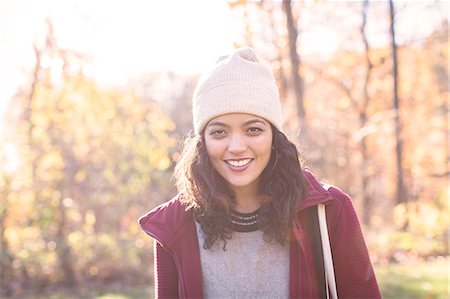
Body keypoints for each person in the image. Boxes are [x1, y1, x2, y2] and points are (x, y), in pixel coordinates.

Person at [139, 47, 381, 299]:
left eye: (253, 130)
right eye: (219, 132)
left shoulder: (329, 211)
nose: (236, 147)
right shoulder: (173, 224)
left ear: (274, 136)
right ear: (202, 142)